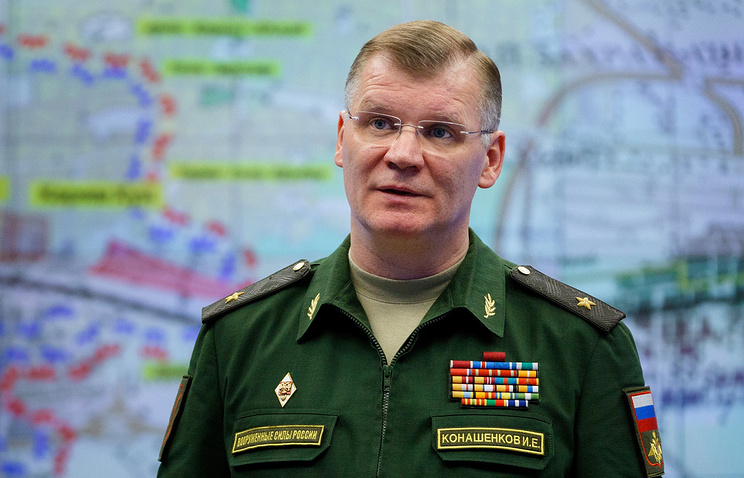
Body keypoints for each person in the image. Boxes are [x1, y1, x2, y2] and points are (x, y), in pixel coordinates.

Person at [157, 20, 663, 477]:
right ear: (342, 139)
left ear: (490, 159)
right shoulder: (240, 337)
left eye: (440, 132)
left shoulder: (579, 346)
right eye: (379, 123)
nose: (402, 155)